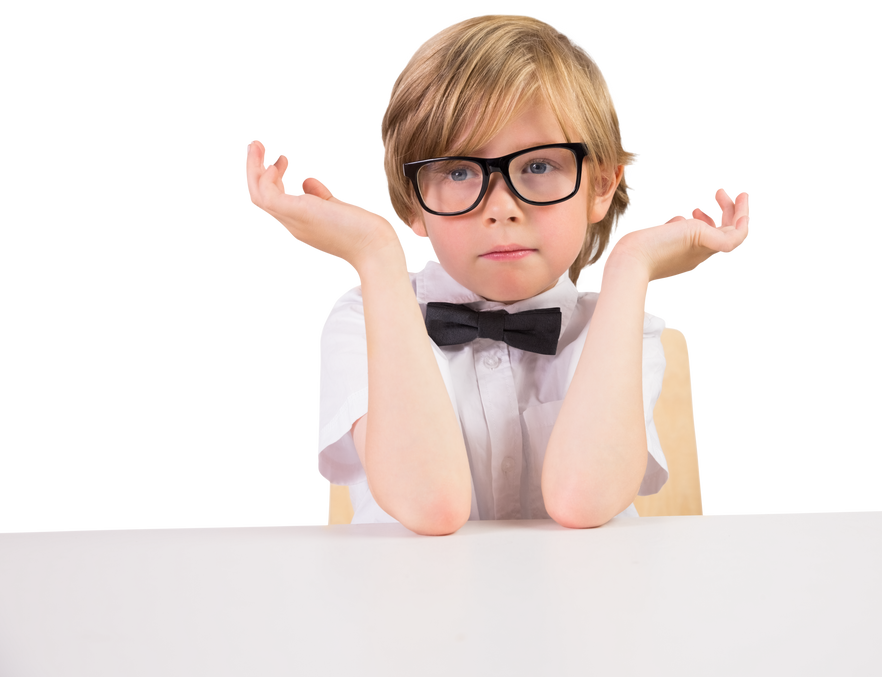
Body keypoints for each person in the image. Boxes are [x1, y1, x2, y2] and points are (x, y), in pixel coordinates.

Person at [242, 11, 751, 536]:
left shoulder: (622, 324)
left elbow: (582, 502)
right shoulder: (363, 317)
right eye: (460, 171)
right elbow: (431, 506)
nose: (502, 207)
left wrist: (629, 266)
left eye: (537, 165)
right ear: (412, 203)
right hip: (413, 612)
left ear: (601, 185)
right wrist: (375, 254)